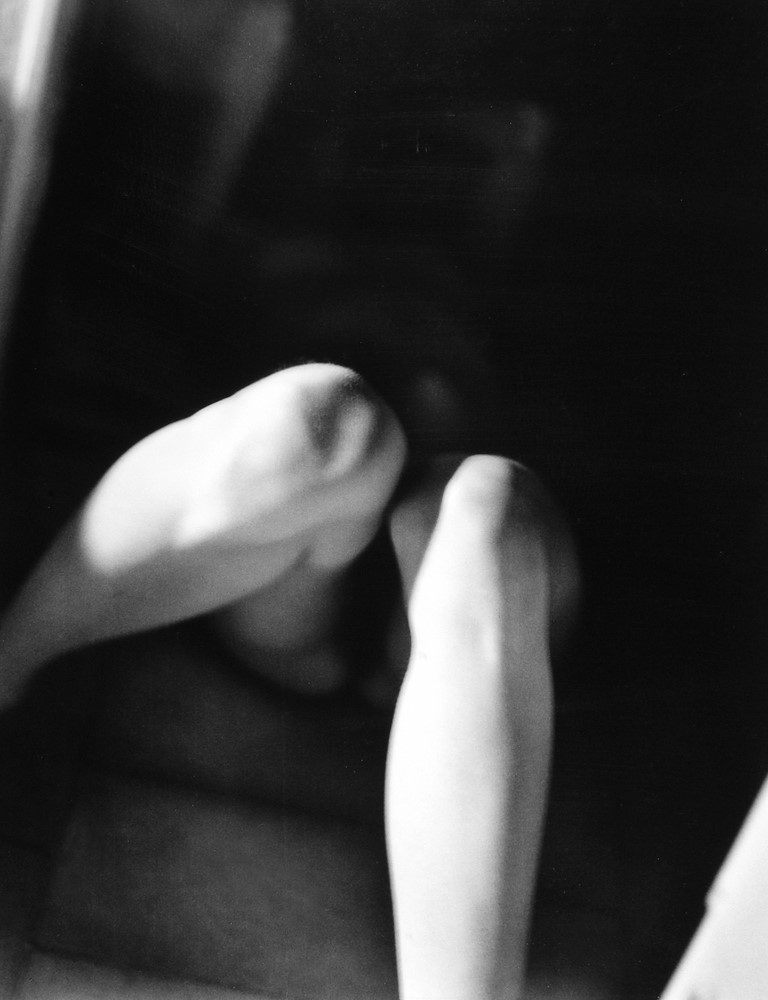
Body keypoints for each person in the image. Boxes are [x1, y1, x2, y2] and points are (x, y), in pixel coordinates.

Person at [0, 357, 578, 999]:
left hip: (500, 594)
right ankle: (6, 668)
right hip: (282, 543)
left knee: (486, 511)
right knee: (319, 427)